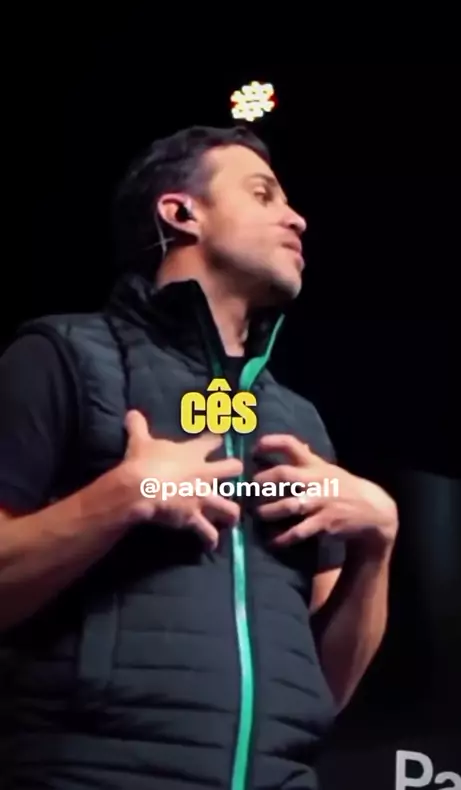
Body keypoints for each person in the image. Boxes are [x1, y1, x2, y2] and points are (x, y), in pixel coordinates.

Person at [0, 125, 398, 790]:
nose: (297, 218)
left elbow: (323, 691)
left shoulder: (299, 421)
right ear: (181, 213)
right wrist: (123, 499)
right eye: (263, 194)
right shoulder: (60, 356)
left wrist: (377, 545)